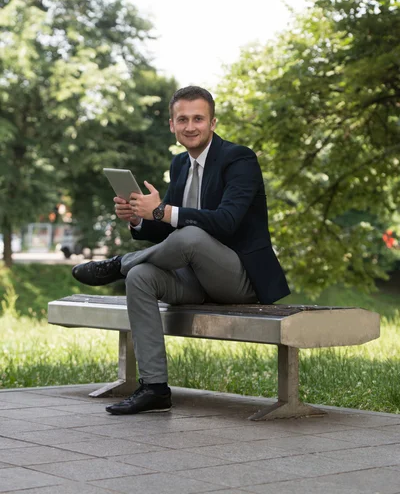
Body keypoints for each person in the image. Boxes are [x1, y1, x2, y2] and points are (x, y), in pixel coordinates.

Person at [72, 85, 290, 415]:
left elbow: (226, 222)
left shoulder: (239, 159)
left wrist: (162, 210)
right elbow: (166, 225)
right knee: (142, 277)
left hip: (241, 279)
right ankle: (155, 388)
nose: (190, 126)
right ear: (172, 126)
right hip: (195, 278)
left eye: (198, 118)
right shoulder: (180, 164)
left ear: (213, 122)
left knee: (192, 236)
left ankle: (119, 264)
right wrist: (140, 219)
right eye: (182, 119)